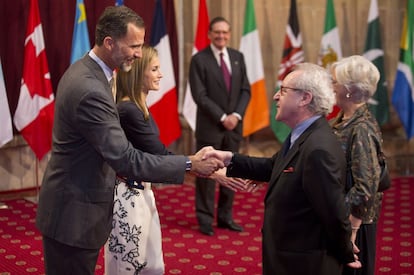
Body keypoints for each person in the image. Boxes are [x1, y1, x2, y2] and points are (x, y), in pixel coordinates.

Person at [35, 6, 223, 275]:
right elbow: (125, 158)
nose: (138, 53)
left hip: (75, 208)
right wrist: (188, 164)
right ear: (109, 43)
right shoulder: (90, 89)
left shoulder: (91, 73)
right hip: (73, 216)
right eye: (134, 45)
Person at [203, 63, 362, 274]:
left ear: (305, 98)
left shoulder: (318, 148)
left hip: (305, 264)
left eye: (283, 90)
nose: (276, 96)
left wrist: (346, 253)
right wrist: (228, 158)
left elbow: (334, 212)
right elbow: (273, 166)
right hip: (289, 257)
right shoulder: (304, 134)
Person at [105, 45, 247, 275]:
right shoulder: (129, 109)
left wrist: (209, 169)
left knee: (152, 265)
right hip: (127, 198)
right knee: (128, 267)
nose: (160, 74)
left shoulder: (137, 107)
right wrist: (208, 169)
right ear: (139, 72)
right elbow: (160, 154)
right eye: (155, 69)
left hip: (141, 192)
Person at [189, 16, 251, 236]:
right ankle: (205, 219)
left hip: (234, 127)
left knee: (232, 171)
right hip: (210, 127)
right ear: (209, 34)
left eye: (225, 32)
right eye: (217, 32)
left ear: (229, 33)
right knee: (207, 174)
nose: (221, 36)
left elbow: (245, 90)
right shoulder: (199, 59)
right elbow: (200, 95)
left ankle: (225, 217)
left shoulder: (238, 57)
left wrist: (235, 115)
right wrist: (222, 116)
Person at [330, 55, 384, 275]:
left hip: (356, 223)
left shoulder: (361, 127)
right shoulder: (342, 119)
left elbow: (366, 187)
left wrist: (351, 230)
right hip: (341, 216)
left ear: (350, 89)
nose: (331, 86)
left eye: (335, 81)